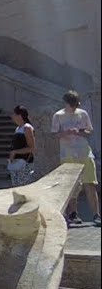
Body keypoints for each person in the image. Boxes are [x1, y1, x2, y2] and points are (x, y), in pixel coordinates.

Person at [52, 90, 99, 226]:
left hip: (84, 152)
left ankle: (96, 214)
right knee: (71, 185)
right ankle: (73, 213)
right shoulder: (58, 116)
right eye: (71, 104)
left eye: (75, 104)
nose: (73, 107)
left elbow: (89, 131)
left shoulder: (82, 113)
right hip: (67, 153)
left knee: (90, 183)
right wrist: (66, 132)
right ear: (66, 103)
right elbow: (55, 134)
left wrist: (81, 132)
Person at [8, 106, 37, 187]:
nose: (12, 116)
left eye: (14, 114)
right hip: (16, 163)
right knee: (16, 187)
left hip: (25, 163)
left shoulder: (27, 128)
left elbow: (32, 148)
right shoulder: (18, 128)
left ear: (19, 116)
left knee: (23, 188)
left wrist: (15, 152)